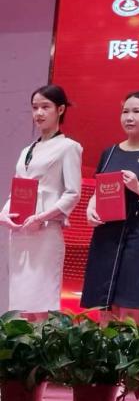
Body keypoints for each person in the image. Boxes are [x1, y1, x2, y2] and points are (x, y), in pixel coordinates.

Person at [81, 91, 139, 322]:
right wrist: (90, 208)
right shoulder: (110, 152)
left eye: (136, 111)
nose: (129, 117)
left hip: (137, 232)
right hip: (106, 232)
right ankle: (105, 345)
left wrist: (137, 187)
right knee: (104, 302)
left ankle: (132, 345)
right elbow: (98, 190)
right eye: (125, 112)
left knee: (131, 301)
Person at [0, 85, 82, 319]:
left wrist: (42, 217)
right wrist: (4, 214)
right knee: (20, 304)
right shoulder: (27, 150)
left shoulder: (68, 147)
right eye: (35, 107)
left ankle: (42, 343)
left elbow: (72, 193)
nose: (39, 113)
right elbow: (17, 190)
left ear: (60, 109)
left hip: (45, 232)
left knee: (42, 301)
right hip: (20, 232)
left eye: (45, 107)